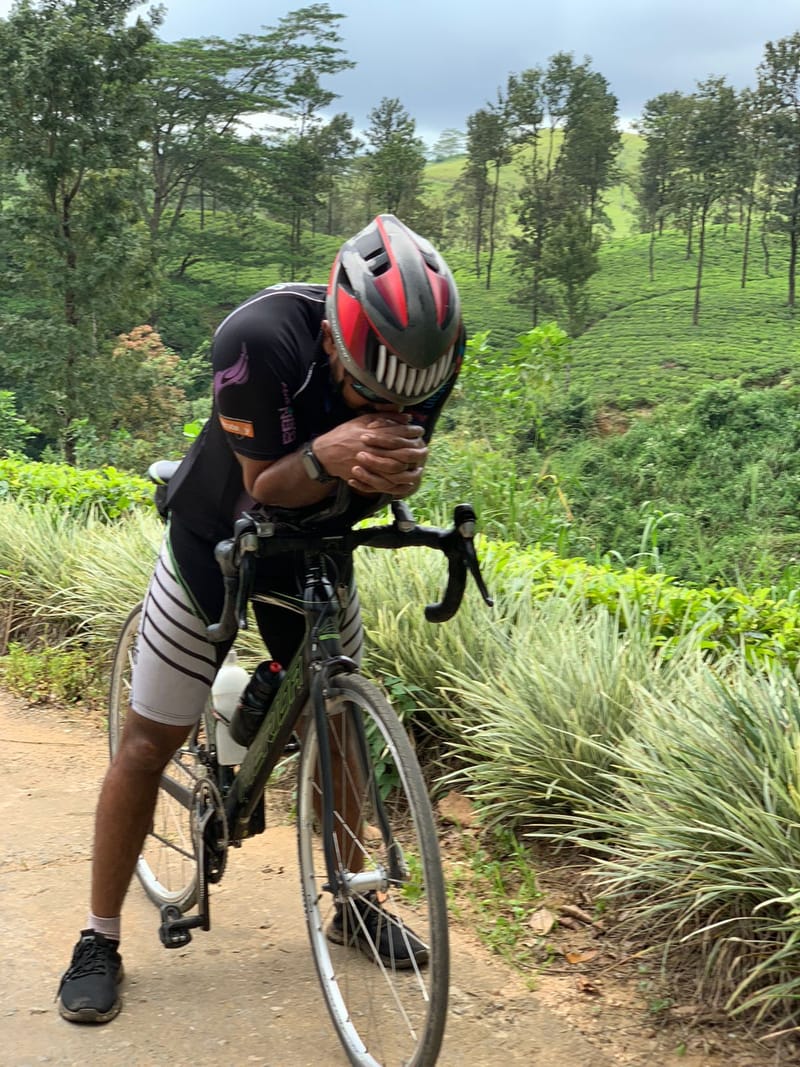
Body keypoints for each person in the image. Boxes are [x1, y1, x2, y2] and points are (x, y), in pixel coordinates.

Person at [57, 213, 465, 1024]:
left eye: (403, 401)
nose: (388, 407)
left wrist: (389, 470)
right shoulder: (258, 338)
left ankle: (352, 900)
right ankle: (99, 936)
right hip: (218, 529)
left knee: (341, 726)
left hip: (318, 539)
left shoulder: (434, 353)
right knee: (147, 741)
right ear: (330, 338)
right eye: (365, 391)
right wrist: (329, 452)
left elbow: (387, 472)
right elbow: (266, 485)